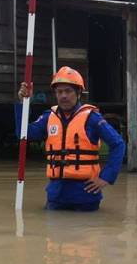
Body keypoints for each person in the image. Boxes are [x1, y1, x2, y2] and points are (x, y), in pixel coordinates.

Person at [15, 66, 125, 211]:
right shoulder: (49, 117)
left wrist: (105, 177)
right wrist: (24, 103)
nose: (63, 96)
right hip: (56, 194)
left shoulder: (92, 118)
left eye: (68, 91)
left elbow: (118, 144)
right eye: (59, 92)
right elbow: (24, 134)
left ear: (78, 93)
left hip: (85, 194)